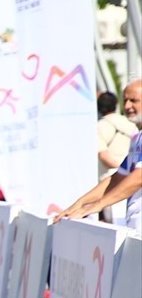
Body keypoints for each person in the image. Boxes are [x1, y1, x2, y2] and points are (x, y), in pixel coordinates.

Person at [59, 78, 142, 234]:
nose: (127, 106)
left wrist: (98, 205)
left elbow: (139, 176)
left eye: (134, 101)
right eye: (125, 100)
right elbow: (118, 177)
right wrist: (80, 204)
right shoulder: (137, 138)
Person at [96, 90, 135, 221]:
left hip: (112, 183)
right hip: (132, 182)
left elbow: (104, 156)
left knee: (115, 228)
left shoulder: (100, 126)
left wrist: (124, 171)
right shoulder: (131, 123)